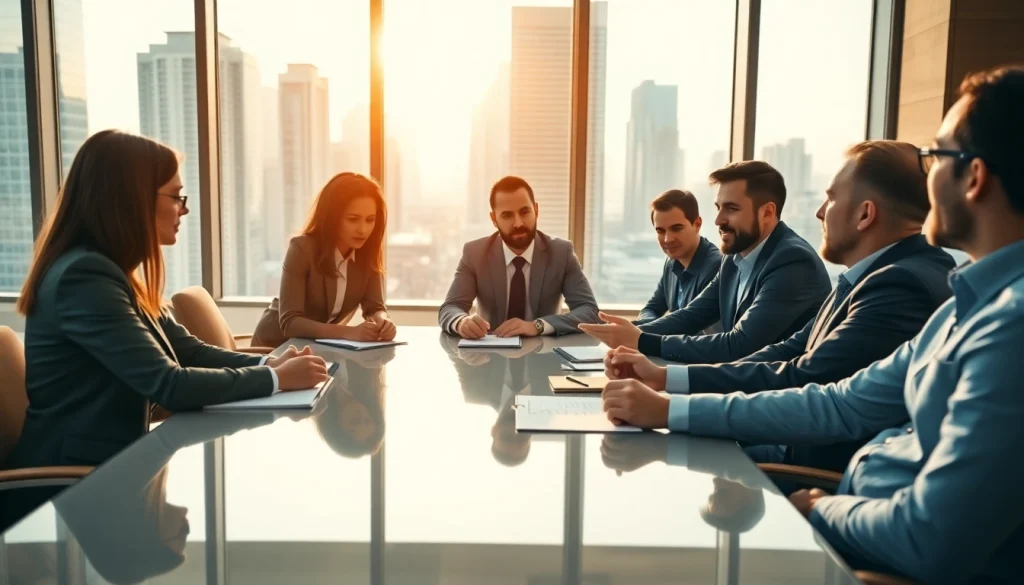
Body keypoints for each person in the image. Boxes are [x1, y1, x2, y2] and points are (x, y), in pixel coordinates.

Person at [599, 66, 1024, 584]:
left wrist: (824, 509)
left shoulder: (1001, 324)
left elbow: (929, 534)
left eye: (937, 156)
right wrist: (668, 394)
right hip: (852, 499)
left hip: (857, 531)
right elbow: (838, 398)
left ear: (975, 176)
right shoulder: (966, 300)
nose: (819, 211)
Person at [605, 140, 956, 471]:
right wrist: (665, 377)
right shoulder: (868, 275)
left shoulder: (898, 285)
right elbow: (788, 351)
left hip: (817, 466)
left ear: (865, 215)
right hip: (792, 438)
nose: (819, 212)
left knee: (667, 463)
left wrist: (670, 408)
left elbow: (803, 377)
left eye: (830, 199)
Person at [6, 130, 327, 472]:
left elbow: (188, 350)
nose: (183, 209)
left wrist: (269, 366)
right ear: (132, 199)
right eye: (175, 196)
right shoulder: (84, 277)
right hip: (70, 485)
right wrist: (277, 380)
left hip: (114, 466)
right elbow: (169, 384)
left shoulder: (112, 272)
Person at [581, 161, 831, 364]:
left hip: (777, 400)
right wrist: (626, 331)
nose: (718, 219)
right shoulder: (734, 257)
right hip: (736, 384)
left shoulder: (793, 261)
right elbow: (692, 316)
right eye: (718, 207)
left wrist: (640, 340)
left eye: (731, 209)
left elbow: (739, 344)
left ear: (767, 212)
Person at [439, 175, 600, 339]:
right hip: (489, 357)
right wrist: (461, 322)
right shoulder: (475, 253)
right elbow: (450, 307)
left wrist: (537, 326)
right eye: (507, 215)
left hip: (544, 356)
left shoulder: (561, 253)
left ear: (536, 211)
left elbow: (589, 311)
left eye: (524, 212)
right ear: (494, 219)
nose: (518, 223)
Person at [252, 172, 396, 347]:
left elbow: (374, 307)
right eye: (353, 219)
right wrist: (349, 332)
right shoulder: (301, 249)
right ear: (333, 217)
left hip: (319, 348)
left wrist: (383, 321)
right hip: (275, 347)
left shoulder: (367, 253)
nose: (363, 230)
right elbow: (290, 322)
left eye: (370, 220)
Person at [634, 189, 721, 325]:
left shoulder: (716, 266)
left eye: (676, 228)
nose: (668, 239)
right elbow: (651, 308)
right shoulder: (672, 262)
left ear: (697, 224)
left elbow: (690, 326)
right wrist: (650, 325)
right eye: (660, 231)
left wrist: (647, 331)